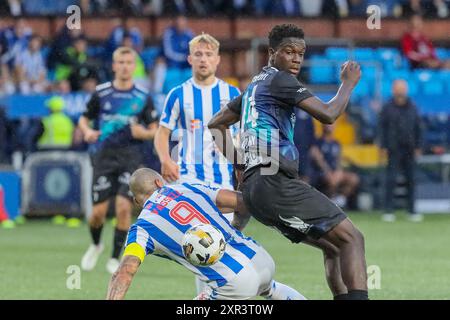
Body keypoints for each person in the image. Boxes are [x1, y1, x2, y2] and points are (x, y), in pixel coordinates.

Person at [208, 24, 368, 300]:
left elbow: (216, 123)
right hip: (276, 184)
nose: (296, 58)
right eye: (289, 51)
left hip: (257, 193)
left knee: (334, 247)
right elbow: (329, 114)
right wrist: (348, 83)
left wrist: (239, 163)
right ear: (272, 53)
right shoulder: (281, 81)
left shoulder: (255, 86)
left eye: (301, 53)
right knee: (354, 238)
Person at [106, 168, 306, 300]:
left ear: (137, 202)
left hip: (232, 284)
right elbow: (244, 202)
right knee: (270, 289)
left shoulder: (142, 228)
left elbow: (126, 270)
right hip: (260, 258)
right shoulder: (189, 188)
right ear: (159, 182)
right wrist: (235, 230)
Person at [78, 47, 159, 274]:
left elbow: (155, 130)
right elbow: (84, 119)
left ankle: (114, 257)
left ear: (134, 67)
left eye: (128, 62)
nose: (124, 66)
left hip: (130, 157)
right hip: (104, 156)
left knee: (124, 208)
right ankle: (96, 244)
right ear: (114, 66)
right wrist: (87, 131)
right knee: (97, 214)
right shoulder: (101, 93)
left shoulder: (143, 97)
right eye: (120, 62)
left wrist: (140, 132)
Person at [154, 33, 240, 193]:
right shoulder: (178, 93)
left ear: (217, 59)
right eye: (198, 54)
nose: (203, 59)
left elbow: (241, 133)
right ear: (190, 59)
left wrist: (237, 153)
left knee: (223, 218)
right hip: (187, 177)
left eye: (209, 54)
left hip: (223, 178)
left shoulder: (232, 93)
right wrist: (165, 160)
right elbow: (162, 132)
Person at [379, 79, 423, 223]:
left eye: (403, 88)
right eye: (398, 88)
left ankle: (412, 210)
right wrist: (382, 147)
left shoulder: (413, 107)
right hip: (393, 149)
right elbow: (381, 128)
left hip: (410, 148)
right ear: (393, 90)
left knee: (411, 180)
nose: (401, 90)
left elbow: (418, 127)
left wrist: (418, 146)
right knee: (390, 180)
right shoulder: (387, 108)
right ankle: (388, 211)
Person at [309, 123, 360, 208]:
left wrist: (339, 171)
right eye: (328, 124)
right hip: (321, 173)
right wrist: (328, 171)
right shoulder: (317, 142)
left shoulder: (336, 143)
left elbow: (338, 160)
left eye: (332, 124)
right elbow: (319, 160)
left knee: (354, 178)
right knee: (332, 179)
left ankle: (340, 199)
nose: (330, 126)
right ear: (323, 126)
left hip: (335, 172)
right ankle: (331, 203)